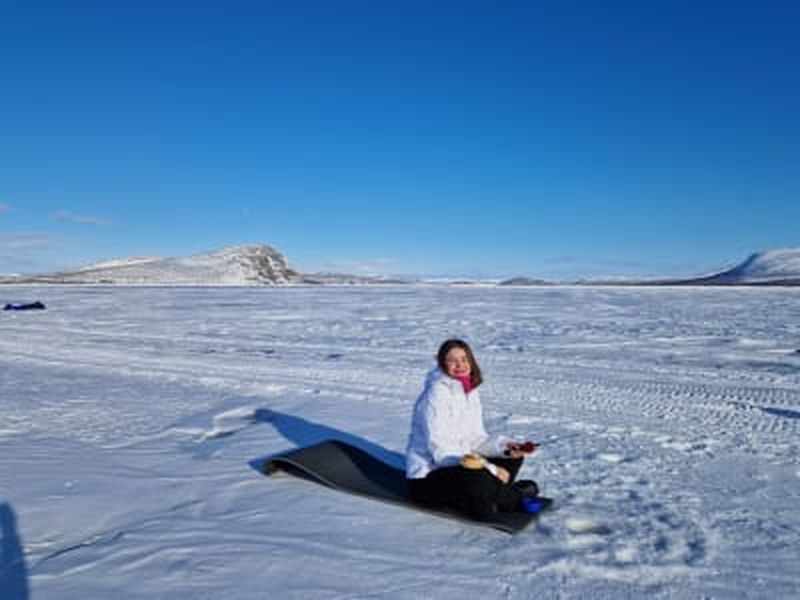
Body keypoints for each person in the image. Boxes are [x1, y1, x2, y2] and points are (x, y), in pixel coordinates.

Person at [405, 338, 540, 520]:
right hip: (429, 478)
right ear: (442, 363)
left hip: (461, 466)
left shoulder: (468, 391)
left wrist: (506, 448)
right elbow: (441, 452)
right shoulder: (436, 395)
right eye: (453, 360)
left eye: (464, 359)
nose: (460, 365)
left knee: (511, 459)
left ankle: (486, 498)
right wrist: (489, 468)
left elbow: (476, 439)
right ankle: (514, 497)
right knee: (479, 476)